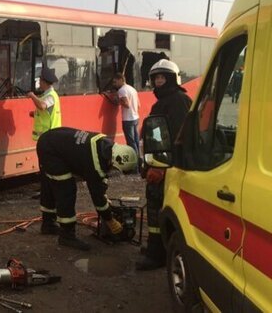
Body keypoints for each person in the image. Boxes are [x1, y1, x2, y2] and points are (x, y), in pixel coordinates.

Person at [36, 127, 138, 250]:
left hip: (51, 139)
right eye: (115, 168)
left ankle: (48, 224)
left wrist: (102, 193)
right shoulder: (95, 163)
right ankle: (67, 235)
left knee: (50, 183)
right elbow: (97, 198)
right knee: (66, 189)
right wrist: (110, 219)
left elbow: (100, 180)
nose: (113, 170)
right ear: (115, 159)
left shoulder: (105, 144)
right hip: (51, 150)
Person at [136, 59, 192, 271]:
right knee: (155, 208)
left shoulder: (177, 101)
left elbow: (178, 136)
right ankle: (156, 247)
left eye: (163, 78)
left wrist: (161, 166)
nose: (159, 82)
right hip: (159, 161)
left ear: (172, 79)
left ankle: (156, 254)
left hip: (166, 166)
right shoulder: (168, 101)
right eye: (156, 78)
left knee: (157, 209)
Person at [27, 67, 63, 235]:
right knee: (46, 174)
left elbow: (42, 105)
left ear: (44, 82)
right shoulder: (49, 95)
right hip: (48, 139)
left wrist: (31, 96)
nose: (38, 84)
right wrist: (34, 114)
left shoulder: (49, 96)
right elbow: (44, 111)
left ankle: (49, 215)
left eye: (40, 81)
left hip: (48, 140)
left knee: (47, 175)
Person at [112, 73, 141, 167]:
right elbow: (138, 105)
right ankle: (140, 162)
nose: (114, 84)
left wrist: (117, 99)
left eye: (115, 82)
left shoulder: (122, 90)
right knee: (136, 141)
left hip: (128, 119)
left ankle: (135, 166)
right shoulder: (132, 89)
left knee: (131, 143)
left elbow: (126, 104)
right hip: (136, 117)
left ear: (121, 80)